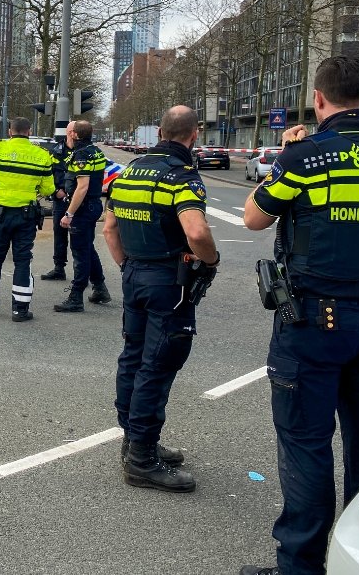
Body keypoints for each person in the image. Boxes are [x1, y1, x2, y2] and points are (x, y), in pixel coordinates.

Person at [240, 56, 359, 575]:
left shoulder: (306, 155)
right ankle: (357, 559)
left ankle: (301, 567)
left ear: (319, 100)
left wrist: (288, 157)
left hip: (314, 323)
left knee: (305, 445)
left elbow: (253, 217)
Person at [101, 105, 219, 494]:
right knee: (158, 364)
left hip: (135, 274)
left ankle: (133, 440)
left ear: (159, 131)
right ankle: (142, 460)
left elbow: (111, 229)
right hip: (168, 281)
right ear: (194, 134)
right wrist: (211, 260)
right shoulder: (182, 177)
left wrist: (126, 266)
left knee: (132, 357)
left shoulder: (127, 172)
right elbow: (197, 232)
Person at [0, 117, 55, 321]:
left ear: (10, 131)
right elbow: (49, 188)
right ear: (29, 131)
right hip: (26, 216)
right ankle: (20, 310)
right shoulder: (42, 156)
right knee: (23, 260)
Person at [54, 120, 110, 312]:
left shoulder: (81, 154)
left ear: (76, 135)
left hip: (83, 208)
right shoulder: (96, 151)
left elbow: (82, 186)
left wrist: (69, 213)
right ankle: (100, 288)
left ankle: (76, 297)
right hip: (93, 206)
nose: (69, 134)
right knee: (88, 248)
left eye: (71, 132)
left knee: (80, 252)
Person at [41, 132, 71, 280]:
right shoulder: (55, 151)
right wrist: (55, 191)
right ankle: (59, 268)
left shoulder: (84, 152)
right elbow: (47, 173)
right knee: (59, 235)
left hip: (79, 201)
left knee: (82, 240)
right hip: (60, 200)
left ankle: (86, 274)